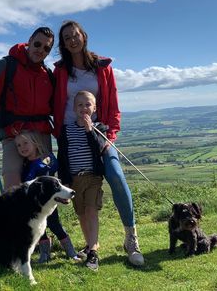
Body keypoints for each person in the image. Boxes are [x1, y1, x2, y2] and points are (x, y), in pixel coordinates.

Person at [52, 20, 145, 266]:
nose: (72, 40)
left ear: (84, 36)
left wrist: (110, 136)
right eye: (66, 38)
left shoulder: (102, 67)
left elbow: (113, 103)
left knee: (115, 175)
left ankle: (131, 239)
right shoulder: (60, 70)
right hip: (70, 136)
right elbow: (53, 103)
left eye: (75, 35)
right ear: (63, 44)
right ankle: (90, 244)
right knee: (78, 186)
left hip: (98, 134)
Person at [0, 27, 55, 191]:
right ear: (30, 41)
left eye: (46, 48)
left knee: (45, 189)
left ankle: (48, 218)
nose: (41, 50)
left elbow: (56, 107)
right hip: (14, 135)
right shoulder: (4, 66)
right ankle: (15, 217)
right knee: (13, 187)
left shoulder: (47, 74)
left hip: (41, 135)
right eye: (38, 44)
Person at [57, 90, 107, 271]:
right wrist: (65, 181)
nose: (84, 108)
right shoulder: (66, 130)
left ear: (94, 108)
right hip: (74, 178)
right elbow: (62, 156)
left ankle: (93, 252)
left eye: (88, 105)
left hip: (93, 177)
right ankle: (90, 243)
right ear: (73, 108)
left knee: (92, 211)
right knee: (81, 213)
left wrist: (89, 130)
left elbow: (98, 149)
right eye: (80, 105)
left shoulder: (99, 128)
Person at [14, 130, 79, 263]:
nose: (22, 147)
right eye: (18, 145)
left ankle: (71, 251)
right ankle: (45, 254)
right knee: (40, 228)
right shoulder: (25, 165)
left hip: (49, 202)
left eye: (26, 143)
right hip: (35, 204)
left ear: (35, 144)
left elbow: (51, 168)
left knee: (55, 225)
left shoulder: (46, 159)